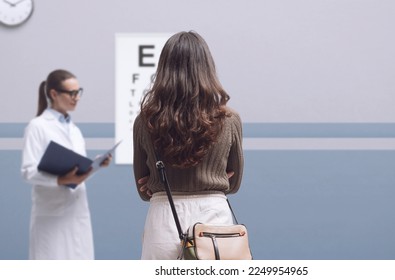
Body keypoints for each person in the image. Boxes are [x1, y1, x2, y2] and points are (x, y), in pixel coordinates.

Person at [133, 31, 244, 260]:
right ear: (207, 69)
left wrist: (158, 180)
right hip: (214, 218)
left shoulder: (145, 121)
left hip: (163, 216)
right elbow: (234, 184)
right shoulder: (229, 120)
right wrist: (215, 177)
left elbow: (143, 189)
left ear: (163, 69)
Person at [21, 69, 111, 260]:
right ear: (54, 94)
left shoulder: (75, 130)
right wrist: (61, 179)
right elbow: (28, 171)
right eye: (72, 93)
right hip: (51, 214)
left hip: (76, 212)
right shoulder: (37, 126)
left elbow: (77, 172)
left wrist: (95, 165)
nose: (77, 97)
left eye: (79, 92)